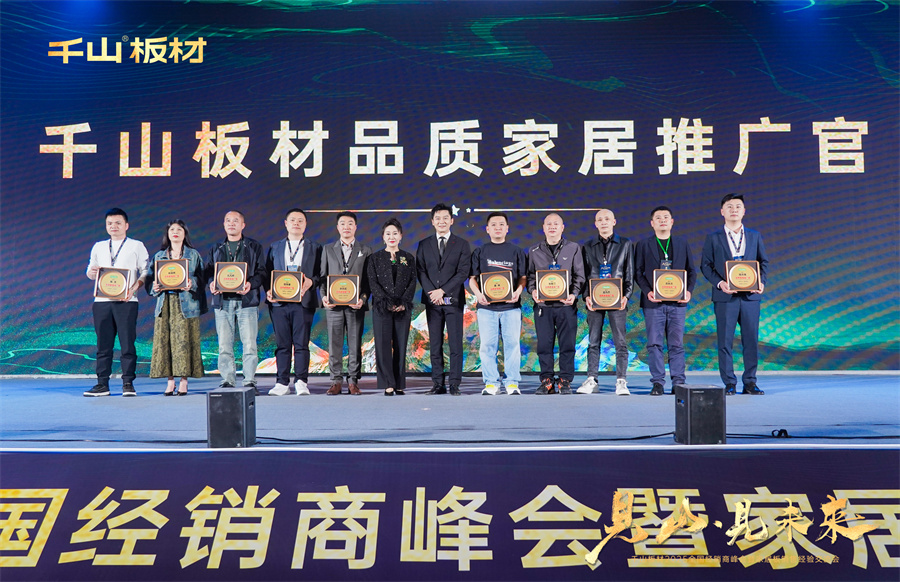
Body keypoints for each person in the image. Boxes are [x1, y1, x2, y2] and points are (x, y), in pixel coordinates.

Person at [701, 193, 769, 395]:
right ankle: (729, 382)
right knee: (725, 341)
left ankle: (750, 382)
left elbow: (763, 262)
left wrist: (761, 282)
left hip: (750, 297)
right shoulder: (713, 238)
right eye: (729, 206)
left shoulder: (754, 236)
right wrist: (720, 283)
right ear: (722, 211)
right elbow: (706, 266)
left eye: (738, 206)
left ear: (744, 211)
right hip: (725, 297)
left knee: (751, 340)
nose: (734, 210)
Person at [84, 208, 150, 397]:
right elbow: (90, 272)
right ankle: (102, 384)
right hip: (101, 301)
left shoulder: (136, 245)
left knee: (127, 343)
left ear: (126, 225)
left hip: (127, 301)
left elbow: (146, 271)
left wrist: (134, 288)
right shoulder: (98, 246)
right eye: (110, 223)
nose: (114, 226)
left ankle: (128, 383)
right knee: (103, 345)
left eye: (118, 223)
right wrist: (92, 272)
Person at [634, 206, 697, 396]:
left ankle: (678, 382)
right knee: (654, 344)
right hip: (653, 303)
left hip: (678, 303)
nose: (662, 220)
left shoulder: (681, 243)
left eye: (666, 217)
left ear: (672, 221)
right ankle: (657, 382)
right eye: (658, 218)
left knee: (676, 344)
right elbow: (638, 272)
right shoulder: (643, 245)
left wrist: (688, 291)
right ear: (652, 223)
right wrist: (648, 292)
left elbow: (691, 271)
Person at [526, 213, 585, 395]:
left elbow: (579, 275)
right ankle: (547, 380)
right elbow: (530, 277)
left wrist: (574, 294)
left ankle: (565, 380)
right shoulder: (534, 251)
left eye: (556, 224)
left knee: (567, 344)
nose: (552, 227)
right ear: (543, 228)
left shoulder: (573, 248)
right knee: (544, 345)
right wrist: (533, 291)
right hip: (543, 307)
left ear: (562, 227)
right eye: (549, 224)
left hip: (566, 306)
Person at [206, 210, 265, 392]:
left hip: (247, 301)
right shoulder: (216, 248)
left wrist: (250, 284)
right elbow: (209, 272)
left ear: (243, 225)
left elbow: (262, 272)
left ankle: (249, 381)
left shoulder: (254, 246)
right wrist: (212, 283)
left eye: (235, 220)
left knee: (249, 344)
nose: (231, 223)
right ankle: (227, 379)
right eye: (228, 221)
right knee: (224, 344)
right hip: (223, 302)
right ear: (224, 225)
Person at [416, 203, 472, 396]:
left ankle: (454, 383)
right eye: (438, 218)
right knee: (435, 344)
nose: (442, 221)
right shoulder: (424, 244)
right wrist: (433, 292)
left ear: (452, 220)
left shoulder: (462, 244)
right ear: (432, 221)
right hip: (432, 301)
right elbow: (421, 271)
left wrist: (443, 291)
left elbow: (463, 272)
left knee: (455, 344)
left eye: (445, 218)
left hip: (453, 301)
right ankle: (438, 384)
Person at [469, 212, 527, 396]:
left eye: (501, 224)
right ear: (487, 229)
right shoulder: (480, 252)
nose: (498, 227)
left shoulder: (516, 251)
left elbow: (523, 277)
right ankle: (491, 383)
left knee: (512, 345)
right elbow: (472, 279)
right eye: (493, 224)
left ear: (507, 228)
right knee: (487, 346)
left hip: (511, 308)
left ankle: (512, 383)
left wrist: (518, 292)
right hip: (486, 308)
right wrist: (478, 294)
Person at [265, 208, 322, 396]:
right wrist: (268, 290)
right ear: (286, 223)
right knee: (282, 344)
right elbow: (267, 273)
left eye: (300, 220)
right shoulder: (275, 247)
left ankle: (301, 381)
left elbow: (321, 274)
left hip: (304, 302)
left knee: (302, 344)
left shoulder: (315, 248)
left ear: (305, 224)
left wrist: (311, 282)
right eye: (292, 220)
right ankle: (281, 382)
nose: (296, 223)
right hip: (279, 303)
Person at [147, 219, 207, 396]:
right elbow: (150, 280)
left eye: (179, 229)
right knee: (165, 342)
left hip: (186, 304)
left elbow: (202, 279)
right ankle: (170, 381)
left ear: (184, 233)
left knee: (184, 342)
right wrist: (154, 287)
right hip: (165, 303)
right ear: (167, 234)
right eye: (172, 229)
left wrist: (191, 283)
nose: (175, 232)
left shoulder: (193, 255)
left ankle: (184, 381)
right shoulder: (159, 256)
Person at [578, 209, 635, 396]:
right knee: (593, 341)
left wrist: (626, 295)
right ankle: (592, 379)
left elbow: (629, 272)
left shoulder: (625, 244)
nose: (604, 222)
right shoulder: (588, 246)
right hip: (595, 299)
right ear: (595, 224)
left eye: (607, 219)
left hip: (617, 299)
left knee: (620, 342)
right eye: (600, 219)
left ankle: (621, 381)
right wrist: (586, 295)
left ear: (614, 222)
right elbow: (584, 274)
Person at [320, 211, 373, 395]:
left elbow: (368, 281)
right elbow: (322, 277)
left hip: (355, 306)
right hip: (333, 305)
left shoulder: (365, 250)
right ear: (337, 227)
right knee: (334, 344)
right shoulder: (328, 249)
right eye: (342, 223)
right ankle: (335, 381)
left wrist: (363, 299)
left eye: (350, 223)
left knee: (355, 343)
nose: (346, 227)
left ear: (355, 227)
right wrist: (324, 297)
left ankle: (353, 381)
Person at [368, 218, 417, 396]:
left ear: (401, 236)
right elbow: (372, 282)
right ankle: (388, 383)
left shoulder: (408, 258)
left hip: (402, 308)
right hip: (382, 308)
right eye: (388, 233)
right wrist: (387, 302)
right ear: (383, 237)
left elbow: (412, 281)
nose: (391, 236)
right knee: (383, 346)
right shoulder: (375, 258)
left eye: (395, 233)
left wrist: (403, 302)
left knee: (400, 345)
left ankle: (399, 383)